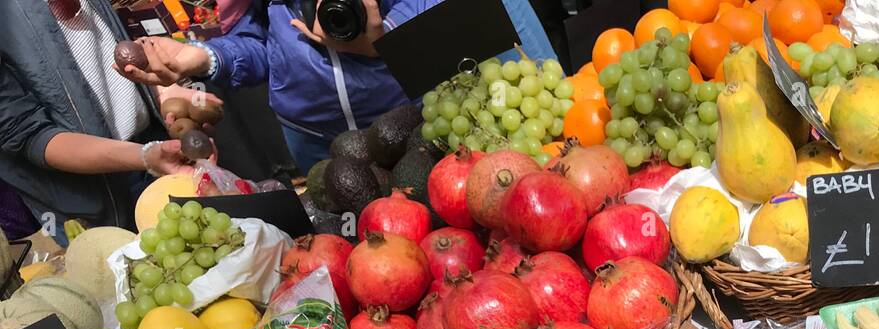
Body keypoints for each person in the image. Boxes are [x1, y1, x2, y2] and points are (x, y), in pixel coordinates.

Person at [120, 0, 559, 172]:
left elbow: (457, 22)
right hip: (311, 137)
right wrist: (207, 58)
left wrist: (380, 44)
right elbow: (261, 40)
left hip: (416, 124)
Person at [0, 0, 188, 234]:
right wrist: (145, 156)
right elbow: (28, 136)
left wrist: (164, 91)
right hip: (91, 195)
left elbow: (105, 48)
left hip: (156, 145)